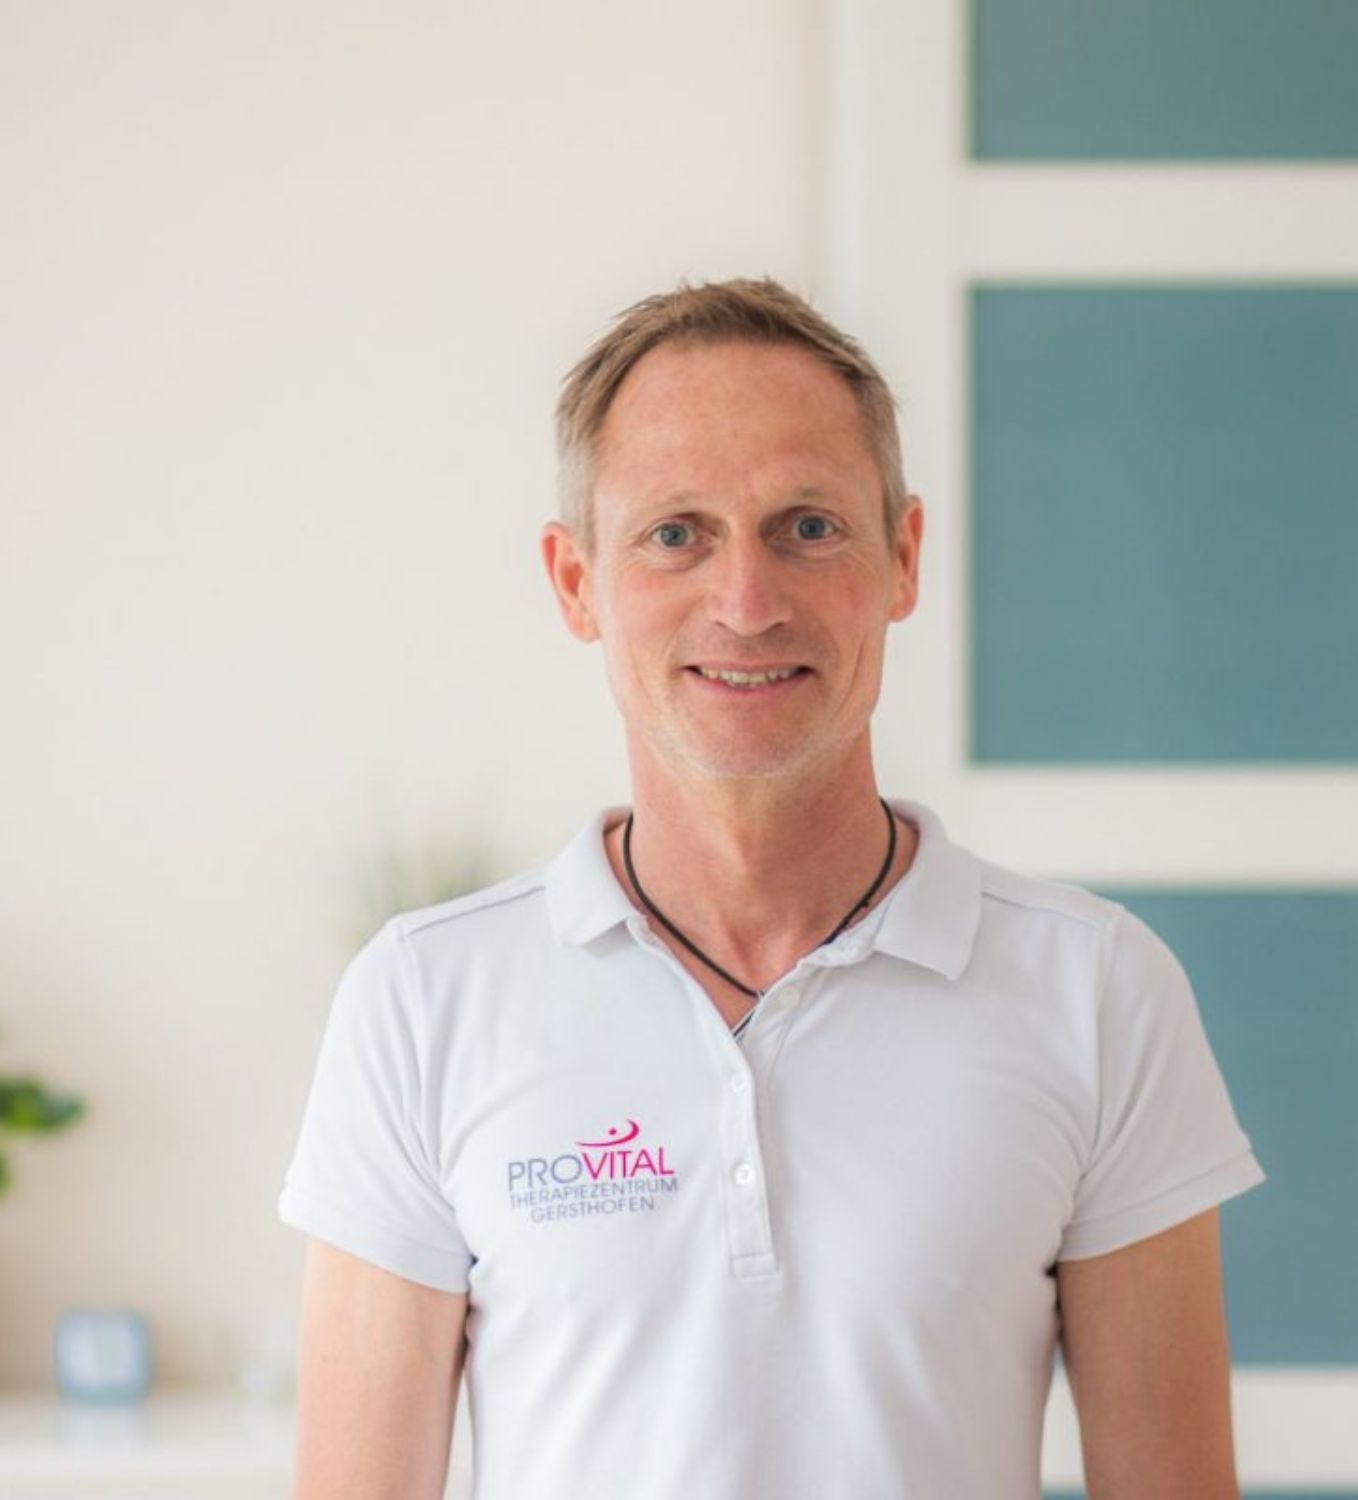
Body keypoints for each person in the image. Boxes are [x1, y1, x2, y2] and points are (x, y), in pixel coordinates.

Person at [276, 275, 1267, 1499]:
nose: (746, 604)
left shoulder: (1099, 991)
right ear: (576, 581)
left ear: (903, 558)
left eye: (807, 526)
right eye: (675, 534)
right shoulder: (422, 1003)